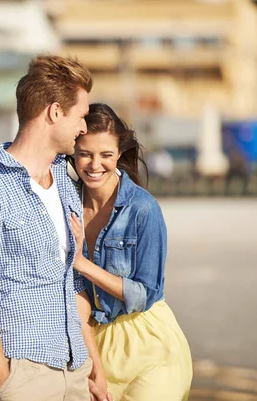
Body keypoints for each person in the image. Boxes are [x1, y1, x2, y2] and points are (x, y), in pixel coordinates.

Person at [0, 55, 111, 401]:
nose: (84, 128)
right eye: (81, 116)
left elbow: (73, 281)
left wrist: (92, 365)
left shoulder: (67, 185)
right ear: (55, 112)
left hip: (75, 371)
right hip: (22, 376)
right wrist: (8, 387)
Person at [68, 103, 192, 401]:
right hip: (95, 341)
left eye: (106, 155)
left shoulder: (143, 209)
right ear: (72, 153)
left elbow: (145, 293)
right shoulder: (66, 203)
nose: (95, 165)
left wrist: (82, 264)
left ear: (119, 155)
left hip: (149, 341)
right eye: (85, 153)